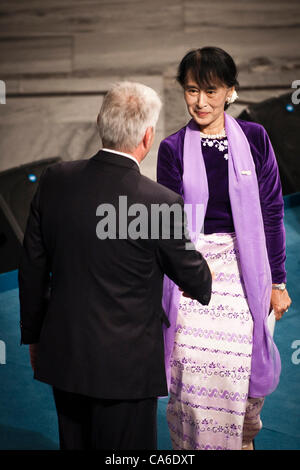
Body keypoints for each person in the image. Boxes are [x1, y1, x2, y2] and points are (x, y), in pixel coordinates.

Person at [18, 81, 212, 450]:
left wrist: (34, 335)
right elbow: (195, 279)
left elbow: (32, 266)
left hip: (65, 354)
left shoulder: (54, 180)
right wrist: (204, 276)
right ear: (147, 136)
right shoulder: (159, 202)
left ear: (100, 123)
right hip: (126, 370)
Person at [157, 47, 292, 450]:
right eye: (193, 90)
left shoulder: (254, 138)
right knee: (191, 358)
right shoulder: (172, 147)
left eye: (211, 91)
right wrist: (183, 273)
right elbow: (169, 226)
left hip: (246, 262)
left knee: (241, 354)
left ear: (230, 91)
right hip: (193, 262)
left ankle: (240, 439)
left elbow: (271, 211)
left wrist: (278, 281)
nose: (200, 101)